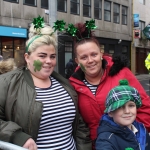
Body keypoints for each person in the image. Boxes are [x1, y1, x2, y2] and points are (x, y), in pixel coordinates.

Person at [0, 16, 92, 150]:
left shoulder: (65, 84)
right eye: (42, 56)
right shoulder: (7, 83)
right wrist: (17, 136)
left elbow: (79, 125)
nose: (49, 61)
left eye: (52, 56)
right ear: (27, 57)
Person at [68, 20, 150, 149]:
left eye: (94, 54)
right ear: (77, 61)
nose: (90, 61)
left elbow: (145, 107)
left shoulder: (121, 73)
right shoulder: (73, 85)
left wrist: (134, 135)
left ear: (101, 54)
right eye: (84, 57)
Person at [95, 79, 150, 150]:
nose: (127, 111)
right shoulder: (106, 140)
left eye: (131, 106)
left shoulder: (142, 130)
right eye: (120, 107)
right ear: (110, 112)